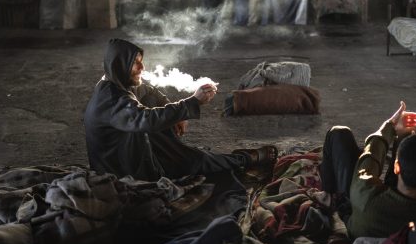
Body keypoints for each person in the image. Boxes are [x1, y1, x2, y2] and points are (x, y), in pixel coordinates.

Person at [84, 39, 274, 181]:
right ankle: (244, 159)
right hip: (120, 169)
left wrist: (177, 115)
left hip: (127, 148)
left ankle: (179, 154)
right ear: (120, 65)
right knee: (193, 161)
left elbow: (148, 91)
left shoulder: (114, 80)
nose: (142, 67)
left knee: (151, 100)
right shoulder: (112, 99)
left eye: (142, 61)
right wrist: (192, 103)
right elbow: (146, 119)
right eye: (136, 62)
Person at [319, 101, 416, 239]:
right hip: (401, 211)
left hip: (358, 219)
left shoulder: (365, 195)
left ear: (396, 167)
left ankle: (327, 196)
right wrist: (403, 135)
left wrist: (390, 127)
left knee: (339, 133)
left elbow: (369, 159)